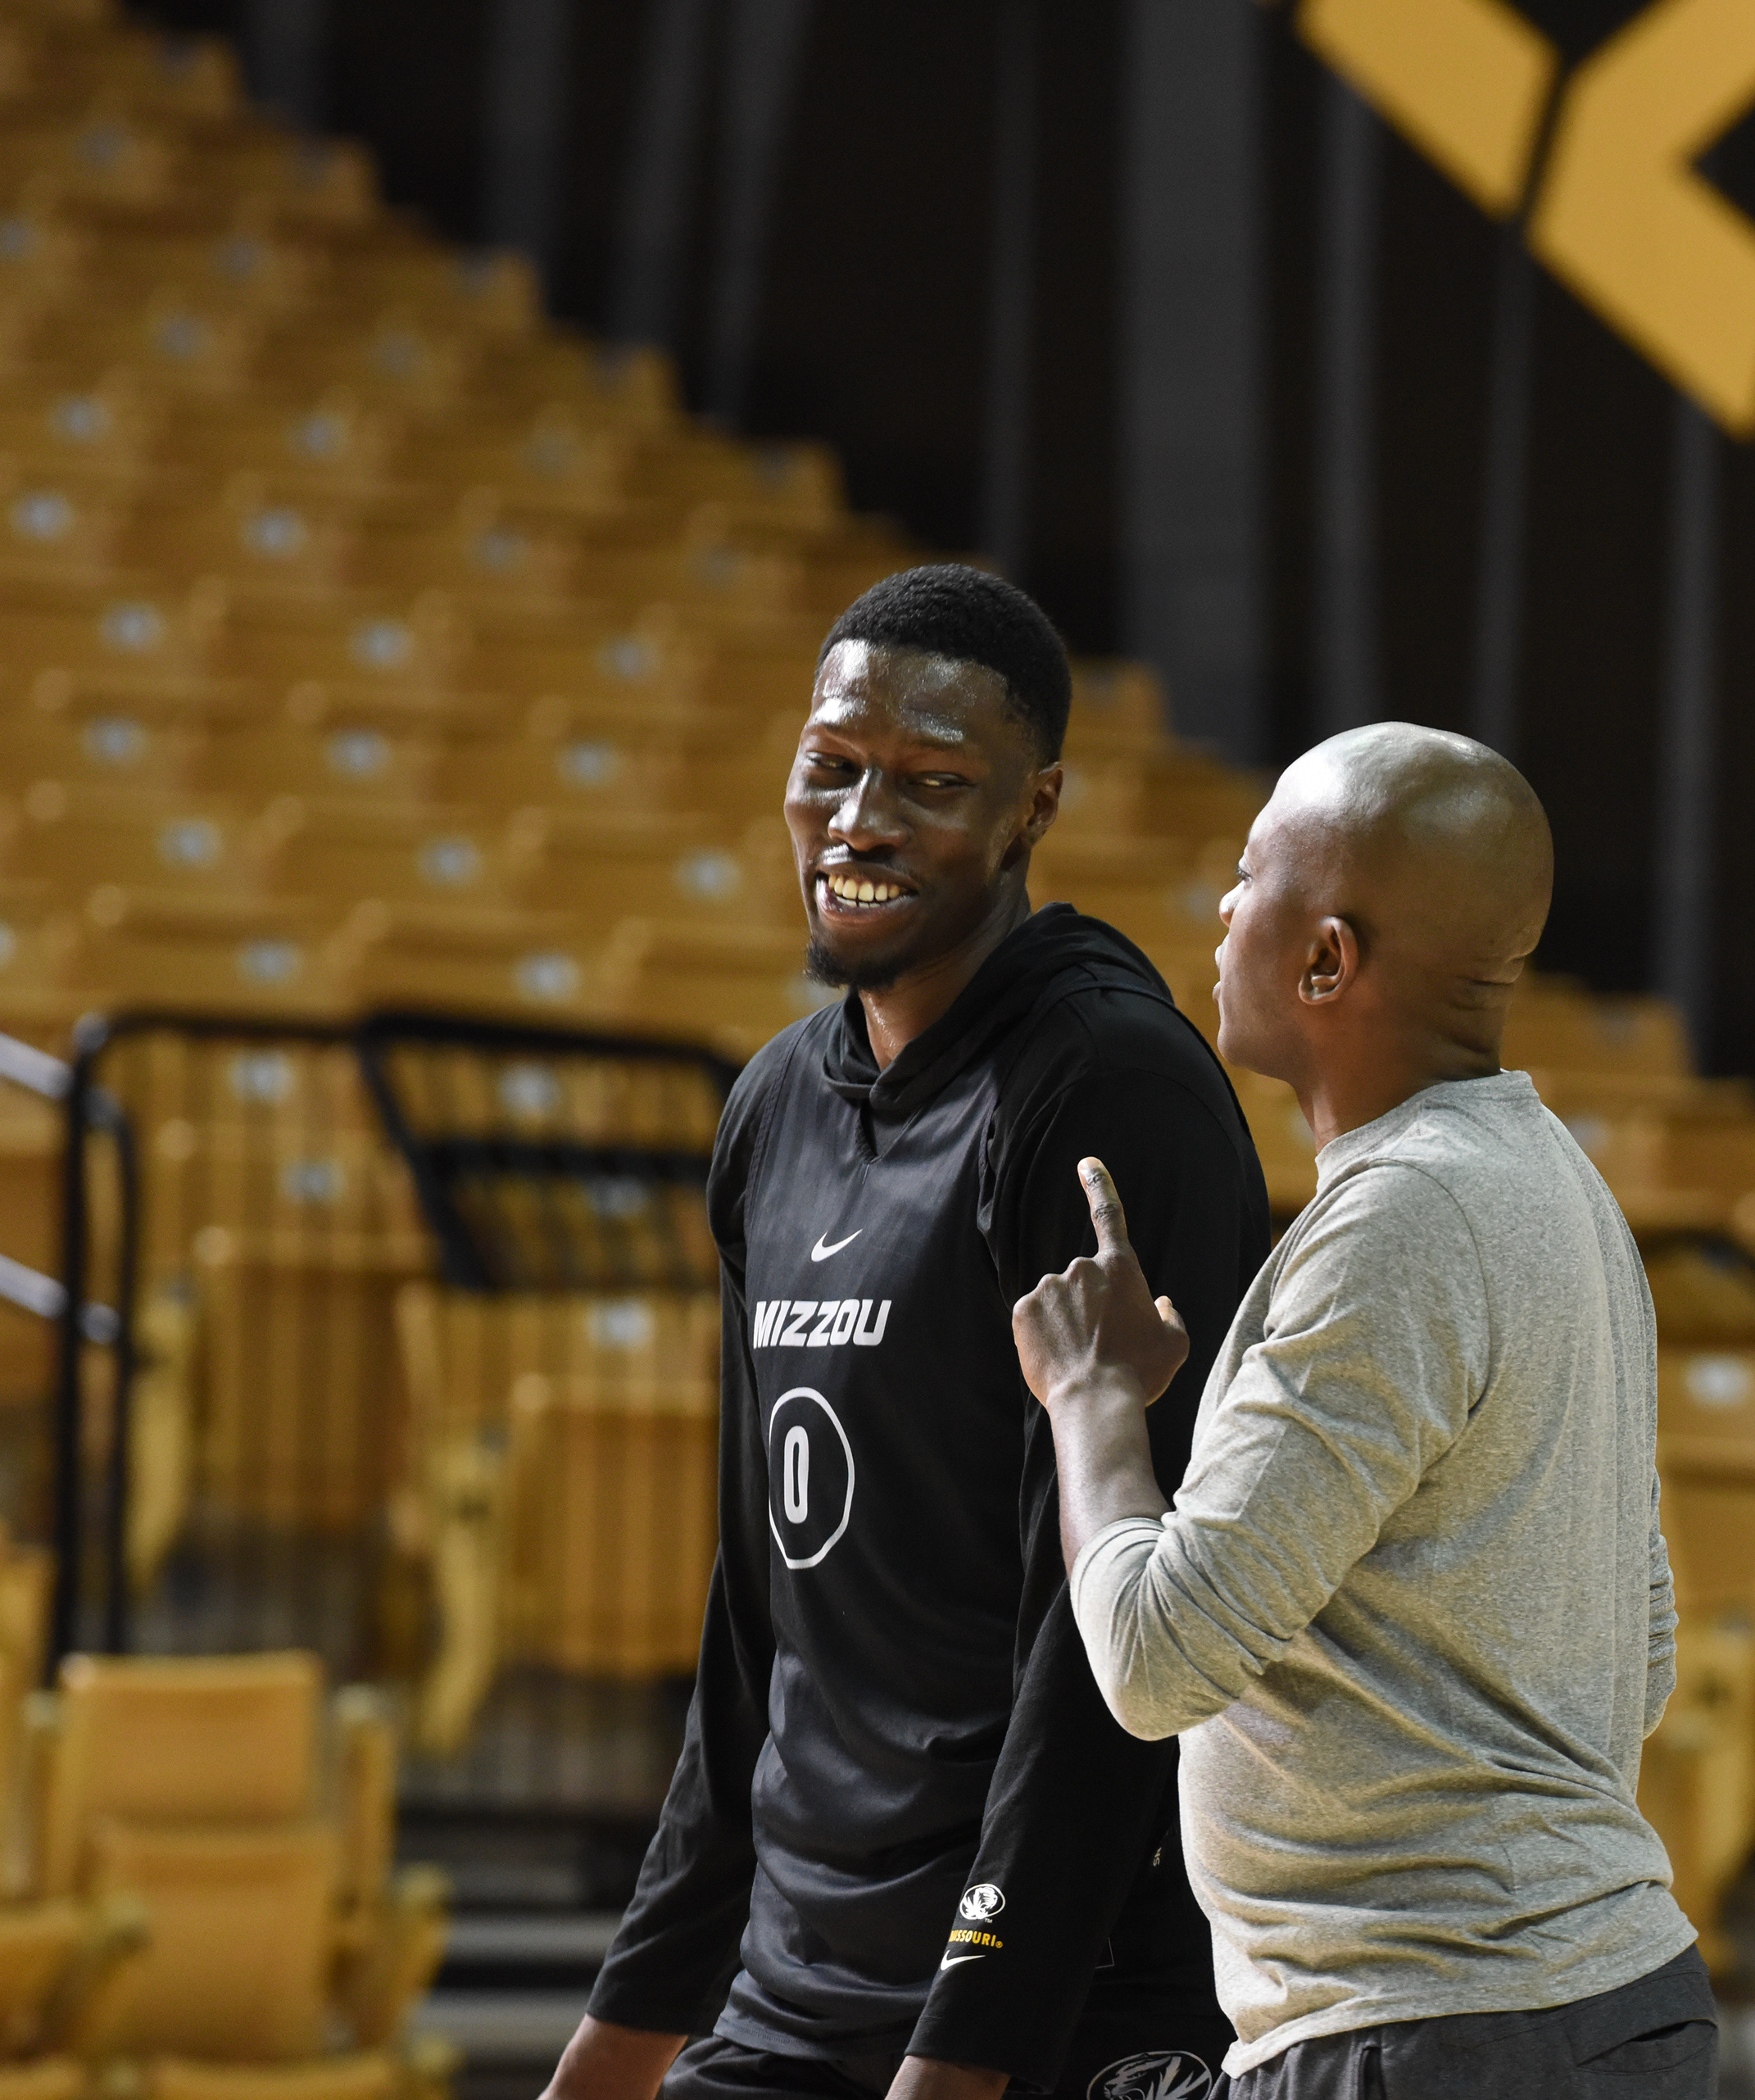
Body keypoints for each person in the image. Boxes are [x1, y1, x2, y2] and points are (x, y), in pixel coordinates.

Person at [543, 566, 1268, 2100]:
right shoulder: (774, 1111)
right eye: (833, 766)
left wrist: (964, 2052)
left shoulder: (1103, 1090)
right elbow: (760, 1626)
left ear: (1030, 811)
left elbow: (1113, 1649)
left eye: (934, 782)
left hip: (1055, 2009)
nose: (863, 817)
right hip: (794, 1989)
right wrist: (619, 2038)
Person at [1009, 723, 1713, 2098]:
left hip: (1427, 2034)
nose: (1222, 903)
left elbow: (1156, 1663)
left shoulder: (1398, 1221)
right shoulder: (1563, 1189)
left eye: (1254, 870)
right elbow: (1643, 1649)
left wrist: (1091, 1402)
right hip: (1608, 2011)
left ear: (1326, 959)